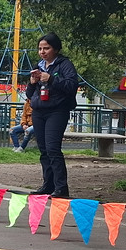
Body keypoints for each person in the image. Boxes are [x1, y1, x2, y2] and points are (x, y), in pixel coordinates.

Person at [25, 33, 79, 198]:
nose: (42, 52)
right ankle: (47, 185)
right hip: (39, 111)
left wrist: (51, 79)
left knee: (53, 149)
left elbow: (71, 85)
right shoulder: (39, 66)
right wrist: (32, 83)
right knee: (43, 150)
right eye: (40, 48)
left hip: (57, 111)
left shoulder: (64, 65)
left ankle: (61, 188)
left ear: (55, 49)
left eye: (46, 48)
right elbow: (29, 93)